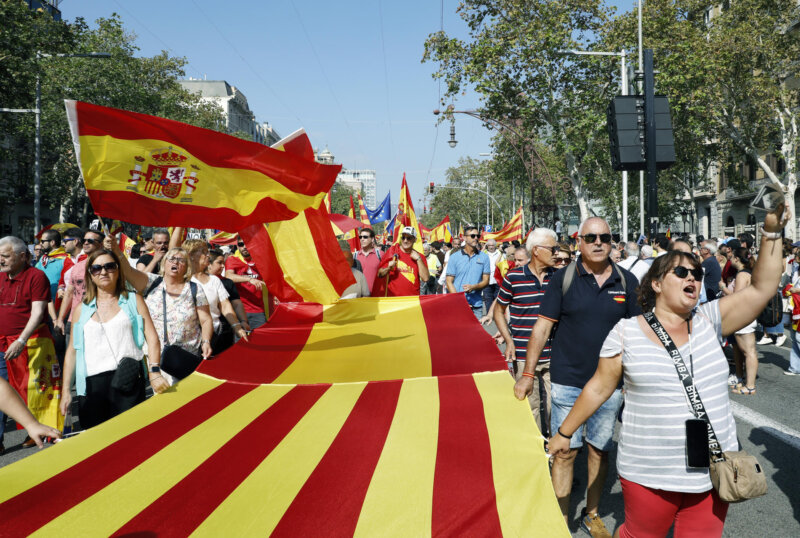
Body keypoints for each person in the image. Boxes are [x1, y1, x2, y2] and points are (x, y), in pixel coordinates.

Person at [548, 204, 789, 537]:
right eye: (681, 272)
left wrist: (772, 231)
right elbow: (599, 388)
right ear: (657, 284)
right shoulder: (626, 332)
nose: (692, 276)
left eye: (696, 273)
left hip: (712, 467)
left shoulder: (710, 320)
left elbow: (763, 287)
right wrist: (563, 434)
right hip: (648, 471)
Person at [514, 217, 640, 537]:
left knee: (599, 450)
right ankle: (560, 519)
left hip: (610, 385)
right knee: (565, 450)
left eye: (605, 237)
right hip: (567, 380)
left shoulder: (627, 282)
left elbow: (640, 335)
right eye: (591, 237)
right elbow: (542, 327)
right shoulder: (564, 279)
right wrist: (528, 374)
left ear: (612, 241)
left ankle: (592, 513)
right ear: (579, 242)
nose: (598, 242)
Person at [60, 249, 167, 429]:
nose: (103, 272)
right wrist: (66, 391)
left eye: (109, 266)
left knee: (129, 439)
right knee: (96, 444)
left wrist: (154, 370)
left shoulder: (133, 300)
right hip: (91, 386)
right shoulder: (81, 309)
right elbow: (72, 351)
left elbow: (152, 338)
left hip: (128, 378)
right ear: (90, 275)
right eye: (96, 268)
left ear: (118, 271)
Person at [495, 229, 557, 435]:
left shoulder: (558, 278)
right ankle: (538, 453)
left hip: (554, 353)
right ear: (537, 251)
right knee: (530, 407)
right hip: (522, 353)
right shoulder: (514, 277)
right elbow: (499, 310)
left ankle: (556, 452)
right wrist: (509, 341)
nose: (556, 253)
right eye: (552, 248)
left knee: (554, 407)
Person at [121, 246, 213, 382]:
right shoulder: (152, 282)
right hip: (158, 357)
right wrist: (117, 251)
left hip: (187, 356)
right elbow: (128, 271)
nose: (175, 262)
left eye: (181, 260)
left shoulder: (195, 289)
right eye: (171, 259)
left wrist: (206, 341)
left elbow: (205, 320)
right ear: (164, 263)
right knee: (164, 399)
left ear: (186, 267)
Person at [0, 236, 52, 452]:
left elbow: (38, 312)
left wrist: (21, 340)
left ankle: (41, 430)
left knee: (35, 388)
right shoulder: (1, 277)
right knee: (3, 388)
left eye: (5, 256)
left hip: (30, 342)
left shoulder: (37, 276)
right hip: (2, 344)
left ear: (22, 256)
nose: (1, 260)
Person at [182, 239, 249, 354]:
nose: (208, 255)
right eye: (203, 252)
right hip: (188, 339)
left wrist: (237, 326)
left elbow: (225, 306)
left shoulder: (214, 280)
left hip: (214, 337)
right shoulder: (182, 280)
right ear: (191, 255)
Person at [54, 229, 105, 337]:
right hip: (74, 319)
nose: (85, 243)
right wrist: (60, 319)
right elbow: (69, 293)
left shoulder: (108, 266)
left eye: (90, 241)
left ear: (101, 245)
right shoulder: (77, 266)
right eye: (84, 240)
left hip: (98, 319)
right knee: (70, 353)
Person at [727, 247, 759, 394]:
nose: (730, 258)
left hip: (743, 316)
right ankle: (746, 382)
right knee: (747, 351)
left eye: (732, 256)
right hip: (747, 314)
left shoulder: (742, 275)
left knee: (749, 352)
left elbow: (737, 297)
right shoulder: (748, 272)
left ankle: (750, 386)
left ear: (737, 259)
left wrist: (723, 287)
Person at [446, 226, 490, 319]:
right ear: (465, 238)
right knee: (458, 333)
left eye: (478, 236)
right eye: (473, 236)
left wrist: (474, 287)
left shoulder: (484, 257)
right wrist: (458, 300)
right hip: (458, 305)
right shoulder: (454, 257)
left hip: (476, 306)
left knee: (476, 334)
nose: (476, 238)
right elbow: (449, 281)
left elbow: (486, 281)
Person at [207, 249, 250, 344]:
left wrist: (243, 321)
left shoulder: (228, 283)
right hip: (205, 330)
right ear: (208, 264)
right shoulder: (196, 282)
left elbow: (237, 304)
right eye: (219, 263)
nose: (223, 266)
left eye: (224, 263)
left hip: (226, 328)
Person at [373, 227, 430, 297]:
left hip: (412, 301)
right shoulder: (392, 252)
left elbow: (425, 278)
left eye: (408, 238)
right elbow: (379, 274)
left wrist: (418, 259)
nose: (405, 241)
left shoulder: (420, 256)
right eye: (403, 238)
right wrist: (388, 267)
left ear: (415, 240)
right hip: (393, 300)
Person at [225, 238, 268, 330]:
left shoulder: (261, 260)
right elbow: (229, 276)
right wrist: (249, 279)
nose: (244, 247)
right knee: (241, 341)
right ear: (237, 246)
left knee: (261, 341)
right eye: (241, 244)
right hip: (239, 310)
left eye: (247, 243)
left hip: (258, 310)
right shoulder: (232, 259)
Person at [353, 228, 382, 295]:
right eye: (360, 237)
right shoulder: (355, 256)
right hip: (359, 297)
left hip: (376, 297)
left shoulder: (380, 254)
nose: (362, 239)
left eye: (365, 237)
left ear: (372, 239)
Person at [483, 238, 502, 307]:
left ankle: (496, 316)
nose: (491, 247)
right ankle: (489, 316)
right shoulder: (483, 253)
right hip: (487, 281)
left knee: (497, 301)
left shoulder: (500, 254)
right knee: (488, 300)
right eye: (489, 245)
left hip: (497, 281)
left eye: (492, 245)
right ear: (487, 246)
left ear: (495, 246)